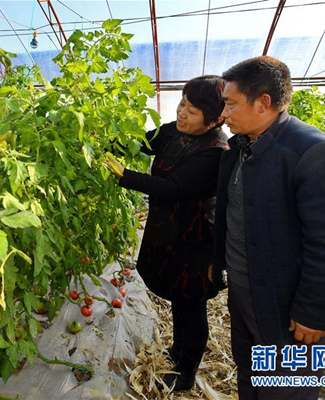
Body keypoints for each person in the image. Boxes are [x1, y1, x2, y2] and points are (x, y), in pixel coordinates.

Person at [213, 56, 325, 399]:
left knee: (288, 385)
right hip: (246, 291)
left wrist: (313, 311)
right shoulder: (239, 149)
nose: (224, 114)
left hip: (288, 304)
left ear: (263, 102)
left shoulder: (314, 152)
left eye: (231, 104)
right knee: (251, 373)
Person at [106, 75, 229, 391]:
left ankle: (186, 373)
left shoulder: (216, 150)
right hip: (170, 230)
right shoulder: (175, 130)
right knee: (179, 296)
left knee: (192, 302)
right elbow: (144, 142)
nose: (182, 113)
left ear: (214, 118)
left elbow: (172, 188)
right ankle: (176, 351)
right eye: (182, 103)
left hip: (196, 239)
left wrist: (123, 175)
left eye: (193, 109)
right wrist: (105, 142)